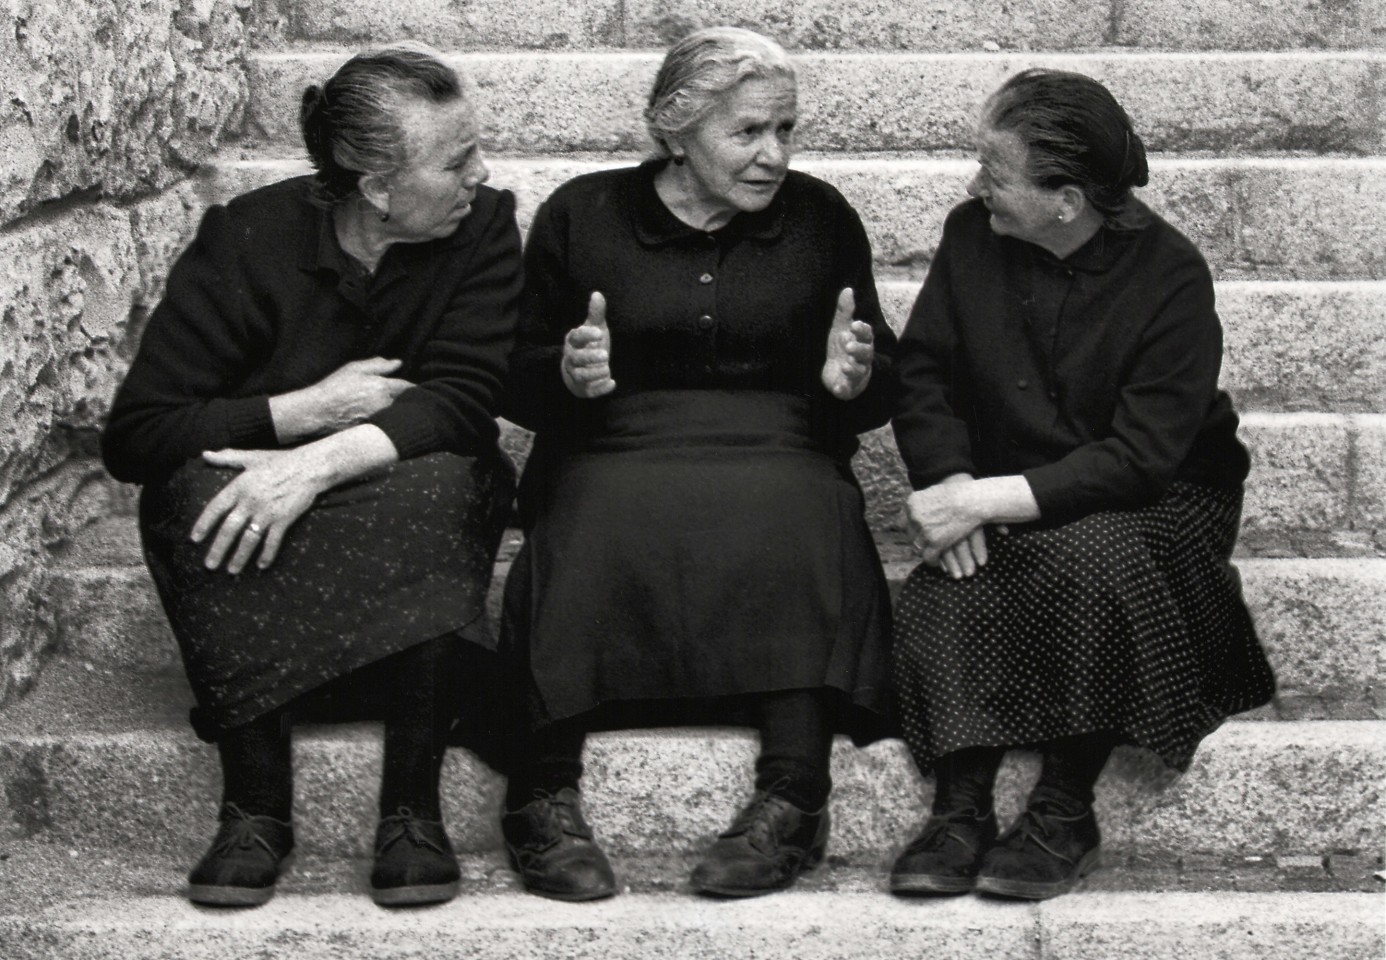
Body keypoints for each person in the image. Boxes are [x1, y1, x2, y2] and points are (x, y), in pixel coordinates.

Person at [100, 46, 521, 908]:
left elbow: (467, 397)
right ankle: (255, 807)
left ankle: (410, 810)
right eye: (456, 160)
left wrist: (318, 464)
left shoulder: (480, 226)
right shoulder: (247, 238)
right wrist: (301, 413)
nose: (481, 173)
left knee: (447, 485)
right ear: (375, 187)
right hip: (272, 493)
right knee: (188, 495)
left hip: (397, 484)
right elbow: (137, 436)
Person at [500, 26, 897, 901]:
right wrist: (566, 376)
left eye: (785, 130)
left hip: (782, 444)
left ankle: (793, 797)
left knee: (808, 509)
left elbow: (877, 383)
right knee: (587, 512)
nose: (774, 155)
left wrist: (851, 379)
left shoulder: (821, 217)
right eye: (748, 132)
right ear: (676, 129)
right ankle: (542, 795)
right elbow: (514, 377)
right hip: (615, 443)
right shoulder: (583, 213)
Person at [887, 68, 1276, 901]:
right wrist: (953, 481)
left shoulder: (1170, 274)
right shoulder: (970, 236)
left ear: (1066, 200)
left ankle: (1065, 809)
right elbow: (922, 372)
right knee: (953, 577)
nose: (974, 186)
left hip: (1159, 496)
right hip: (1005, 481)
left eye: (995, 174)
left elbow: (1142, 456)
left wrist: (984, 500)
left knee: (1088, 555)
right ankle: (960, 808)